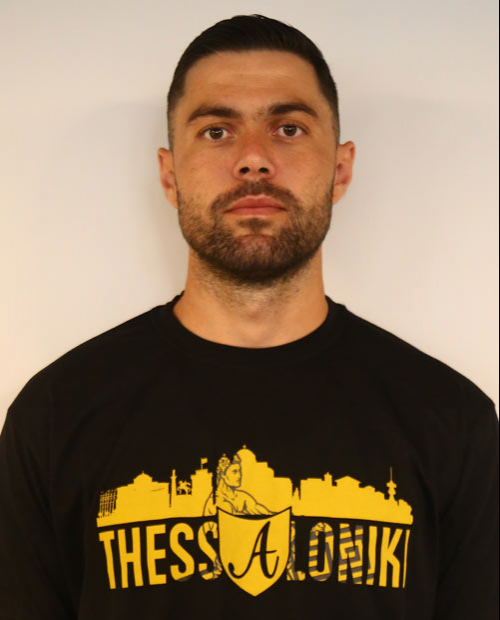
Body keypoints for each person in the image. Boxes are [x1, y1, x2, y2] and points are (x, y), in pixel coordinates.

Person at [0, 14, 497, 619]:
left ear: (340, 170)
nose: (254, 159)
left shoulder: (452, 420)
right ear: (169, 176)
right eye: (217, 131)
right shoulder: (56, 415)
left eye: (288, 128)